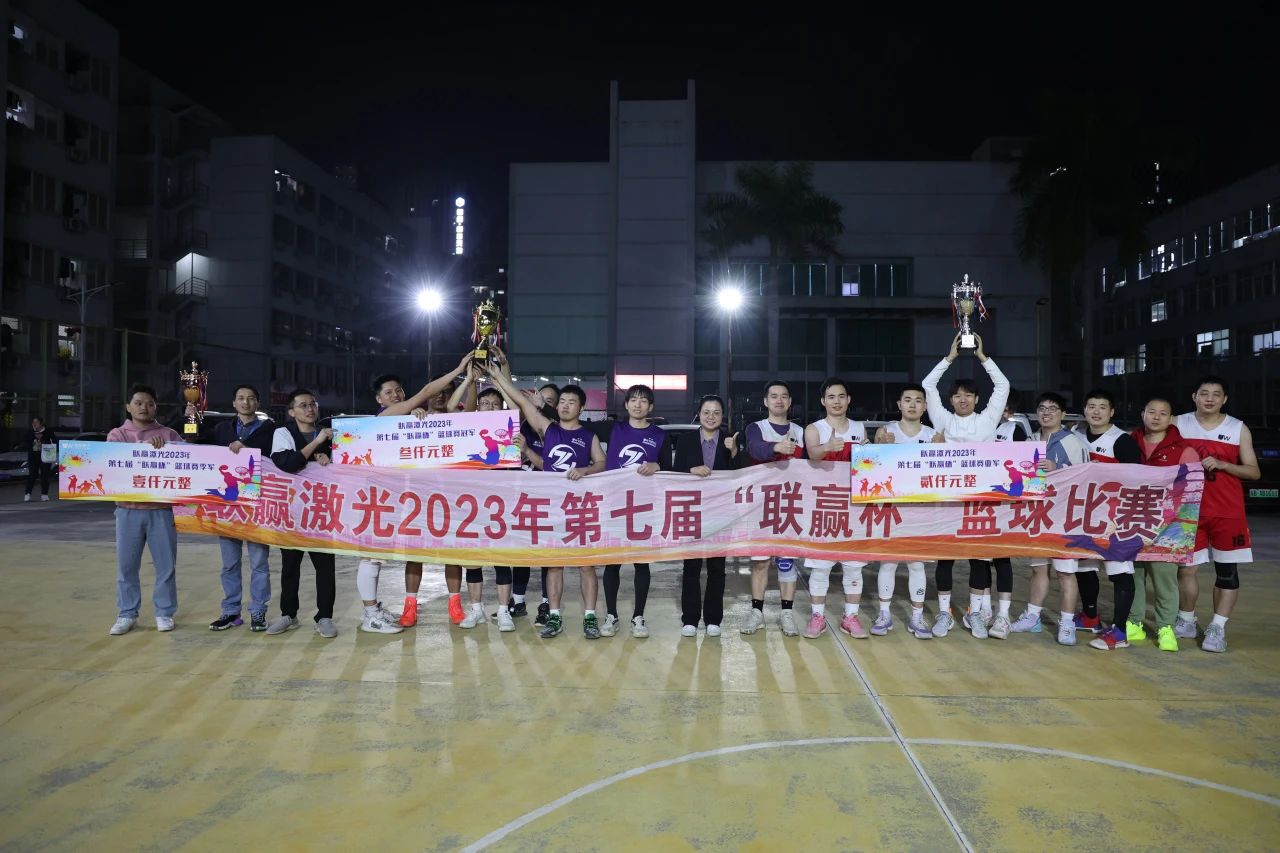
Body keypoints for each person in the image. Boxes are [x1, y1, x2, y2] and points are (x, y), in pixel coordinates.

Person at [486, 366, 606, 639]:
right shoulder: (547, 429)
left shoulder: (589, 436)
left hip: (579, 506)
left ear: (581, 408)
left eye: (571, 402)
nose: (565, 406)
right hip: (551, 506)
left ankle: (590, 618)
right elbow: (522, 402)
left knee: (586, 565)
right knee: (553, 563)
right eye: (562, 401)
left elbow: (601, 463)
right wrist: (499, 378)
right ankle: (554, 616)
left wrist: (585, 470)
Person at [362, 358, 472, 631]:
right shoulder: (387, 417)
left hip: (441, 493)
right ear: (378, 399)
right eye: (389, 392)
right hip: (403, 497)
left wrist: (468, 380)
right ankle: (403, 606)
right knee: (404, 554)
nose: (396, 395)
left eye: (398, 390)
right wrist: (459, 370)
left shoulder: (415, 417)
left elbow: (458, 413)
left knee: (450, 551)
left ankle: (454, 604)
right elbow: (425, 393)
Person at [921, 333, 1012, 639]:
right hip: (948, 500)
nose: (963, 399)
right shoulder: (942, 420)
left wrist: (982, 357)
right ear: (950, 400)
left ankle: (975, 613)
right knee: (945, 557)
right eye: (958, 395)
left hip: (981, 501)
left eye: (968, 395)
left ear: (976, 399)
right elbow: (928, 384)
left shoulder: (987, 420)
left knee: (978, 557)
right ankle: (944, 613)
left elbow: (1003, 386)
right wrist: (950, 358)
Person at [1174, 376, 1261, 653]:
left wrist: (1224, 465)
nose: (1209, 398)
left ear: (1224, 399)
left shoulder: (1237, 428)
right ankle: (1186, 619)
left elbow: (1254, 471)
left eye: (1216, 394)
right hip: (1189, 510)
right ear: (1194, 397)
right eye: (1204, 393)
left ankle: (1217, 628)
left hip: (1227, 511)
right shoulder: (1178, 423)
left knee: (1227, 572)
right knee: (1186, 569)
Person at [1007, 392, 1091, 644]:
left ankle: (1067, 623)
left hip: (1065, 518)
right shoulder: (1030, 441)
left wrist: (1058, 468)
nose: (1046, 413)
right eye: (1042, 408)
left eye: (1053, 408)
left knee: (1065, 572)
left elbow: (1086, 477)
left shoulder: (1073, 442)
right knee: (1038, 569)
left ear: (1063, 414)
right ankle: (1032, 617)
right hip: (1038, 516)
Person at [107, 385, 184, 636]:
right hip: (128, 510)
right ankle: (127, 613)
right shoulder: (117, 434)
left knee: (166, 565)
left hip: (162, 511)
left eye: (150, 403)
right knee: (127, 566)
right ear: (128, 407)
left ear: (155, 407)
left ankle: (164, 612)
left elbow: (189, 462)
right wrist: (145, 448)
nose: (144, 407)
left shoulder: (169, 434)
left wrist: (167, 449)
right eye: (138, 403)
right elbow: (113, 463)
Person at [596, 384, 671, 639]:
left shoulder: (659, 435)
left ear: (651, 407)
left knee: (641, 563)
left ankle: (638, 616)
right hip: (614, 505)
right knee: (612, 563)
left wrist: (657, 465)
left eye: (644, 400)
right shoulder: (613, 429)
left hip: (644, 507)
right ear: (626, 404)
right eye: (634, 400)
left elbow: (669, 469)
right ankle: (611, 615)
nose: (638, 404)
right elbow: (571, 423)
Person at [267, 389, 339, 639]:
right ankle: (289, 614)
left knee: (325, 567)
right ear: (291, 411)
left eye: (313, 404)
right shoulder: (283, 433)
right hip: (292, 511)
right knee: (290, 566)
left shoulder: (331, 435)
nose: (310, 409)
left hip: (321, 511)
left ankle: (325, 616)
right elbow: (288, 463)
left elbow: (344, 465)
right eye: (303, 405)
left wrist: (327, 455)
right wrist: (317, 444)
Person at [802, 378, 870, 639]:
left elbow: (866, 464)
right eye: (831, 397)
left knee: (854, 565)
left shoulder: (859, 428)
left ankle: (850, 616)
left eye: (841, 396)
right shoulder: (814, 429)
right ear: (823, 401)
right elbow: (812, 455)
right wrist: (827, 447)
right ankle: (817, 616)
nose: (837, 401)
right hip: (823, 504)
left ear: (849, 399)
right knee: (821, 565)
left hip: (853, 505)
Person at [205, 385, 277, 632]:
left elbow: (279, 461)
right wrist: (191, 419)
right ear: (234, 403)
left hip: (258, 507)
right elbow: (194, 446)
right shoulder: (221, 430)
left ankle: (258, 611)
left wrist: (251, 453)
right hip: (228, 508)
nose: (246, 402)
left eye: (251, 398)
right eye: (241, 398)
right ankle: (231, 611)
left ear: (258, 403)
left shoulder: (270, 430)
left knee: (259, 564)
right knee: (229, 564)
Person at [1131, 396, 1200, 652]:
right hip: (1132, 521)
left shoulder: (1184, 450)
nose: (1156, 417)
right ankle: (1134, 622)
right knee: (1133, 575)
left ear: (1171, 419)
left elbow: (1192, 490)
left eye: (1163, 413)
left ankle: (1165, 628)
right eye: (1152, 412)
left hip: (1168, 527)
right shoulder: (1129, 443)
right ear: (1143, 414)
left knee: (1164, 579)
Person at [669, 395, 740, 636]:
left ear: (722, 416)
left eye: (716, 412)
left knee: (717, 568)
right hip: (692, 511)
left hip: (721, 512)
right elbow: (675, 473)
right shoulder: (686, 440)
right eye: (706, 412)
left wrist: (734, 451)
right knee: (691, 566)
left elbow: (740, 474)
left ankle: (713, 619)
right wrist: (690, 470)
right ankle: (689, 618)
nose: (711, 416)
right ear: (698, 414)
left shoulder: (730, 440)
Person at [872, 384, 939, 639]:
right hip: (891, 509)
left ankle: (917, 616)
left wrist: (940, 450)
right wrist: (882, 447)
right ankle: (884, 614)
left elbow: (941, 475)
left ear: (925, 406)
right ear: (899, 404)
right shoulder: (885, 432)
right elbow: (873, 470)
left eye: (918, 400)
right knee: (888, 562)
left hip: (921, 510)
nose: (912, 404)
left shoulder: (934, 436)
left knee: (916, 564)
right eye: (907, 400)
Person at [1077, 389, 1142, 651]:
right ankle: (1090, 616)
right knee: (1085, 566)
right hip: (1083, 515)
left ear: (1112, 412)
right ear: (1084, 410)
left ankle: (1120, 632)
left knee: (1119, 571)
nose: (1096, 412)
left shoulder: (1122, 441)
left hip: (1114, 518)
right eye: (1091, 406)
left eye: (1102, 407)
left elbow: (1135, 479)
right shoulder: (1076, 437)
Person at [741, 380, 806, 637]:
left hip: (791, 503)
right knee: (760, 561)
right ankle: (757, 612)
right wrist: (776, 447)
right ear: (766, 401)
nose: (779, 400)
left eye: (784, 396)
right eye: (774, 396)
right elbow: (755, 449)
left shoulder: (801, 431)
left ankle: (786, 613)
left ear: (789, 402)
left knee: (787, 561)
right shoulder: (756, 428)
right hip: (761, 504)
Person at [23, 416, 57, 502]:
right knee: (32, 475)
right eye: (33, 422)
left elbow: (54, 441)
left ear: (41, 423)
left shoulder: (48, 431)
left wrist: (44, 442)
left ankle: (44, 494)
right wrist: (33, 441)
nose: (34, 424)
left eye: (36, 422)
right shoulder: (30, 432)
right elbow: (26, 443)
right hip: (33, 457)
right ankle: (27, 493)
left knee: (45, 475)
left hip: (45, 456)